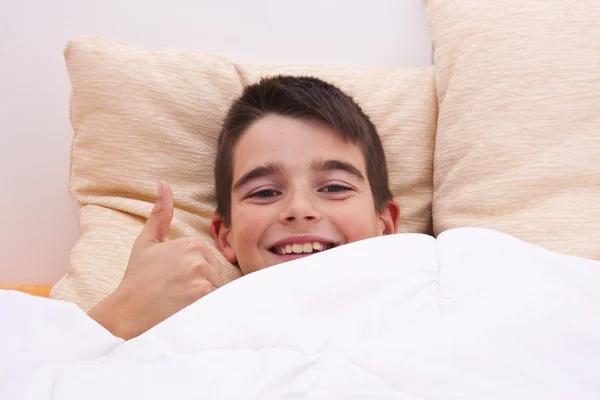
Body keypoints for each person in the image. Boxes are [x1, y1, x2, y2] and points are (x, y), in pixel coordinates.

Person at [88, 76, 400, 339]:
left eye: (334, 187)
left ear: (385, 224)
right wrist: (123, 313)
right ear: (225, 236)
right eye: (265, 192)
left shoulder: (439, 294)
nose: (299, 209)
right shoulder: (191, 335)